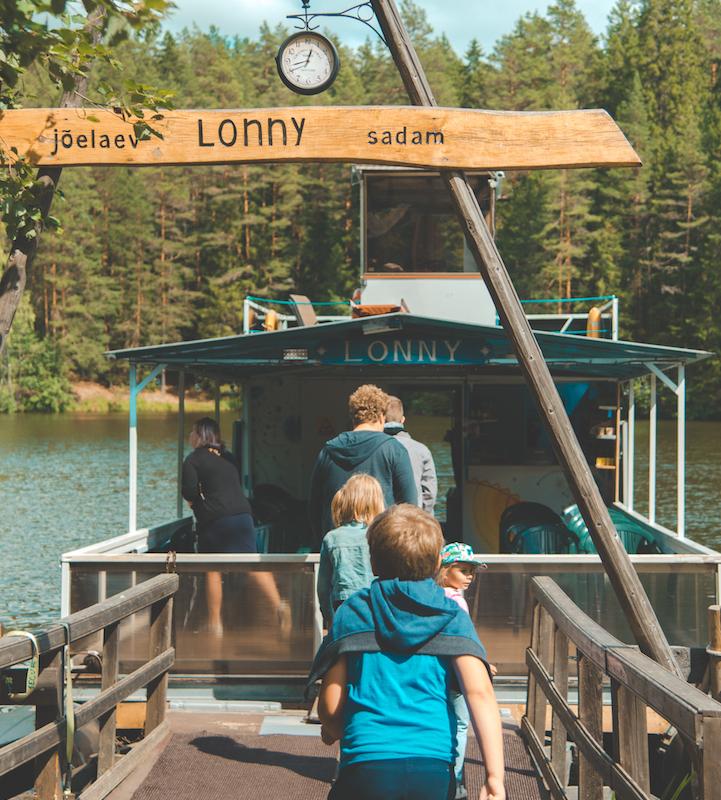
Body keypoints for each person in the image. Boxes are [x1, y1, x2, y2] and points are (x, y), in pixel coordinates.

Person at [309, 504, 505, 800]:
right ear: (439, 561)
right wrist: (494, 778)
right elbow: (480, 693)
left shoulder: (354, 612)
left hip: (366, 762)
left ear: (374, 561)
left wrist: (334, 729)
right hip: (433, 766)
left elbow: (331, 703)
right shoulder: (452, 616)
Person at [182, 417, 288, 635]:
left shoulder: (193, 460)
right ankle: (279, 604)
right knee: (252, 563)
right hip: (243, 515)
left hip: (215, 520)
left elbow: (189, 492)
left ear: (200, 435)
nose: (189, 436)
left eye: (192, 432)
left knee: (213, 568)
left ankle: (214, 624)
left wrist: (198, 506)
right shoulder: (229, 458)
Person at [308, 384, 417, 547]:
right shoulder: (394, 449)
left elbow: (314, 506)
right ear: (382, 416)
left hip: (337, 548)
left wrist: (322, 544)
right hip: (380, 548)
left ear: (353, 417)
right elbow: (410, 506)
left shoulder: (328, 451)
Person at [437, 542, 494, 800]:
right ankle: (455, 776)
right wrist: (480, 663)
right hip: (457, 674)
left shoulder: (436, 597)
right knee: (461, 724)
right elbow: (463, 640)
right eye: (463, 570)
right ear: (445, 570)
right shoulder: (456, 602)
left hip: (440, 671)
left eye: (472, 571)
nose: (469, 576)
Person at [317, 474, 384, 628]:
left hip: (343, 606)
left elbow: (323, 587)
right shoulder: (380, 534)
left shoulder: (332, 538)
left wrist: (329, 617)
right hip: (376, 603)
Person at [384, 395, 438, 514]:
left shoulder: (375, 448)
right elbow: (429, 493)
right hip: (413, 520)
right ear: (403, 420)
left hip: (382, 522)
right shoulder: (422, 450)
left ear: (380, 419)